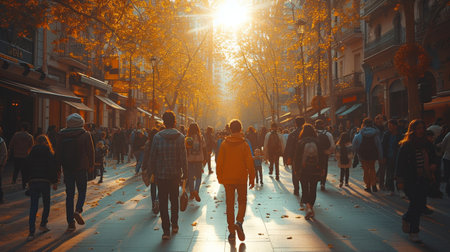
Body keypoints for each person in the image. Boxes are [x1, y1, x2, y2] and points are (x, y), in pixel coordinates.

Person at [397, 119, 438, 243]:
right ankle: (414, 231)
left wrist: (433, 165)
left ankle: (407, 218)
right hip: (411, 179)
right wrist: (399, 180)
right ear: (413, 130)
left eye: (422, 128)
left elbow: (434, 157)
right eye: (418, 128)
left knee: (418, 205)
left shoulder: (428, 144)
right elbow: (400, 164)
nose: (420, 130)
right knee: (415, 203)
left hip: (424, 178)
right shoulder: (407, 145)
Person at [149, 111, 187, 240]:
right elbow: (183, 158)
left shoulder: (157, 137)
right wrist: (185, 172)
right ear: (175, 122)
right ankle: (175, 224)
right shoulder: (181, 137)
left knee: (163, 202)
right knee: (174, 200)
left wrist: (151, 172)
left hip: (161, 175)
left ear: (164, 122)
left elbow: (153, 156)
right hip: (175, 174)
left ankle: (166, 230)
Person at [216, 119, 255, 243]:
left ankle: (232, 232)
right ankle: (239, 221)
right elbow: (249, 162)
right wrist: (252, 177)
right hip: (241, 178)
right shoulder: (244, 144)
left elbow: (219, 162)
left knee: (230, 204)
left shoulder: (224, 144)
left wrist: (219, 176)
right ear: (241, 129)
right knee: (242, 201)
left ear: (230, 130)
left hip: (228, 179)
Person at [55, 113, 94, 232]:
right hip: (81, 167)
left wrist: (58, 169)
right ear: (81, 123)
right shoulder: (85, 134)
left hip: (67, 168)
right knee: (82, 190)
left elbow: (58, 153)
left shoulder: (61, 135)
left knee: (69, 195)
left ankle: (70, 223)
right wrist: (91, 165)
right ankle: (78, 210)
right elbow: (90, 151)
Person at [25, 135, 58, 241]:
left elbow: (27, 166)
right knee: (46, 203)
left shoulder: (31, 152)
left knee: (33, 206)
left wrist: (27, 180)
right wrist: (54, 181)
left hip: (33, 181)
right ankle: (43, 224)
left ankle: (31, 232)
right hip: (45, 181)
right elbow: (52, 166)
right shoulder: (48, 152)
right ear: (46, 142)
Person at [293, 124, 324, 220]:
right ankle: (311, 205)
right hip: (315, 169)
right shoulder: (317, 142)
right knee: (313, 188)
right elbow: (322, 156)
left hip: (303, 169)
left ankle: (308, 207)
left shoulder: (300, 142)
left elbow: (297, 158)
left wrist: (296, 169)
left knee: (305, 188)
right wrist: (322, 168)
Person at [352, 118, 383, 192]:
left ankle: (368, 186)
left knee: (365, 170)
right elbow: (378, 145)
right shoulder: (375, 133)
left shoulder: (360, 133)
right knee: (372, 169)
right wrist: (380, 156)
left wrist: (356, 153)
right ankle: (374, 185)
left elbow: (355, 144)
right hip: (373, 154)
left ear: (363, 124)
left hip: (363, 154)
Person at [9, 122, 34, 191]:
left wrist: (11, 151)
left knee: (16, 169)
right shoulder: (29, 136)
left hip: (17, 155)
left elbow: (11, 144)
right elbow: (31, 147)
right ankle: (24, 184)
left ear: (21, 128)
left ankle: (13, 181)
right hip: (25, 155)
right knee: (24, 171)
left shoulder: (16, 135)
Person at [185, 123, 207, 202]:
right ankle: (196, 190)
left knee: (190, 176)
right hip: (199, 160)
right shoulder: (200, 137)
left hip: (190, 160)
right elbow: (204, 148)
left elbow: (185, 149)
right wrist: (205, 159)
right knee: (198, 176)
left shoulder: (187, 138)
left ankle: (191, 192)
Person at [284, 117, 305, 196]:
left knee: (295, 173)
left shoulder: (292, 134)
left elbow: (289, 147)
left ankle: (296, 188)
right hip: (305, 157)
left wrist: (287, 158)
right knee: (304, 173)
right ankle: (304, 189)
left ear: (295, 124)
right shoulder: (307, 134)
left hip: (295, 158)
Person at [381, 119, 403, 195]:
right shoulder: (386, 134)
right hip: (389, 156)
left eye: (391, 126)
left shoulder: (400, 135)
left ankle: (400, 189)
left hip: (398, 157)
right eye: (388, 126)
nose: (389, 127)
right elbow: (383, 146)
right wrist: (383, 157)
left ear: (395, 126)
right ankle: (391, 189)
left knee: (398, 174)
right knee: (389, 173)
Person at [142, 128, 160, 215]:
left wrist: (144, 167)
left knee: (153, 186)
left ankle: (153, 203)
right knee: (160, 186)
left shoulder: (148, 144)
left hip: (150, 167)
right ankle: (157, 199)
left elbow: (145, 156)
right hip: (160, 167)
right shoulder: (160, 142)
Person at [315, 119, 335, 191]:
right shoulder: (328, 134)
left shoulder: (313, 133)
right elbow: (332, 145)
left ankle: (315, 180)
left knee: (315, 167)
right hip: (324, 154)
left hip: (315, 154)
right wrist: (328, 152)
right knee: (324, 168)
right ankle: (322, 183)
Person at [438, 130, 450, 196]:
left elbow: (443, 144)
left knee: (447, 174)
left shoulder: (448, 134)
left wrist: (442, 152)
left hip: (447, 157)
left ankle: (448, 189)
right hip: (447, 156)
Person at [0, 127, 7, 204]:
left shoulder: (1, 141)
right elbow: (4, 154)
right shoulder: (1, 141)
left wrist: (1, 164)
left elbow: (4, 154)